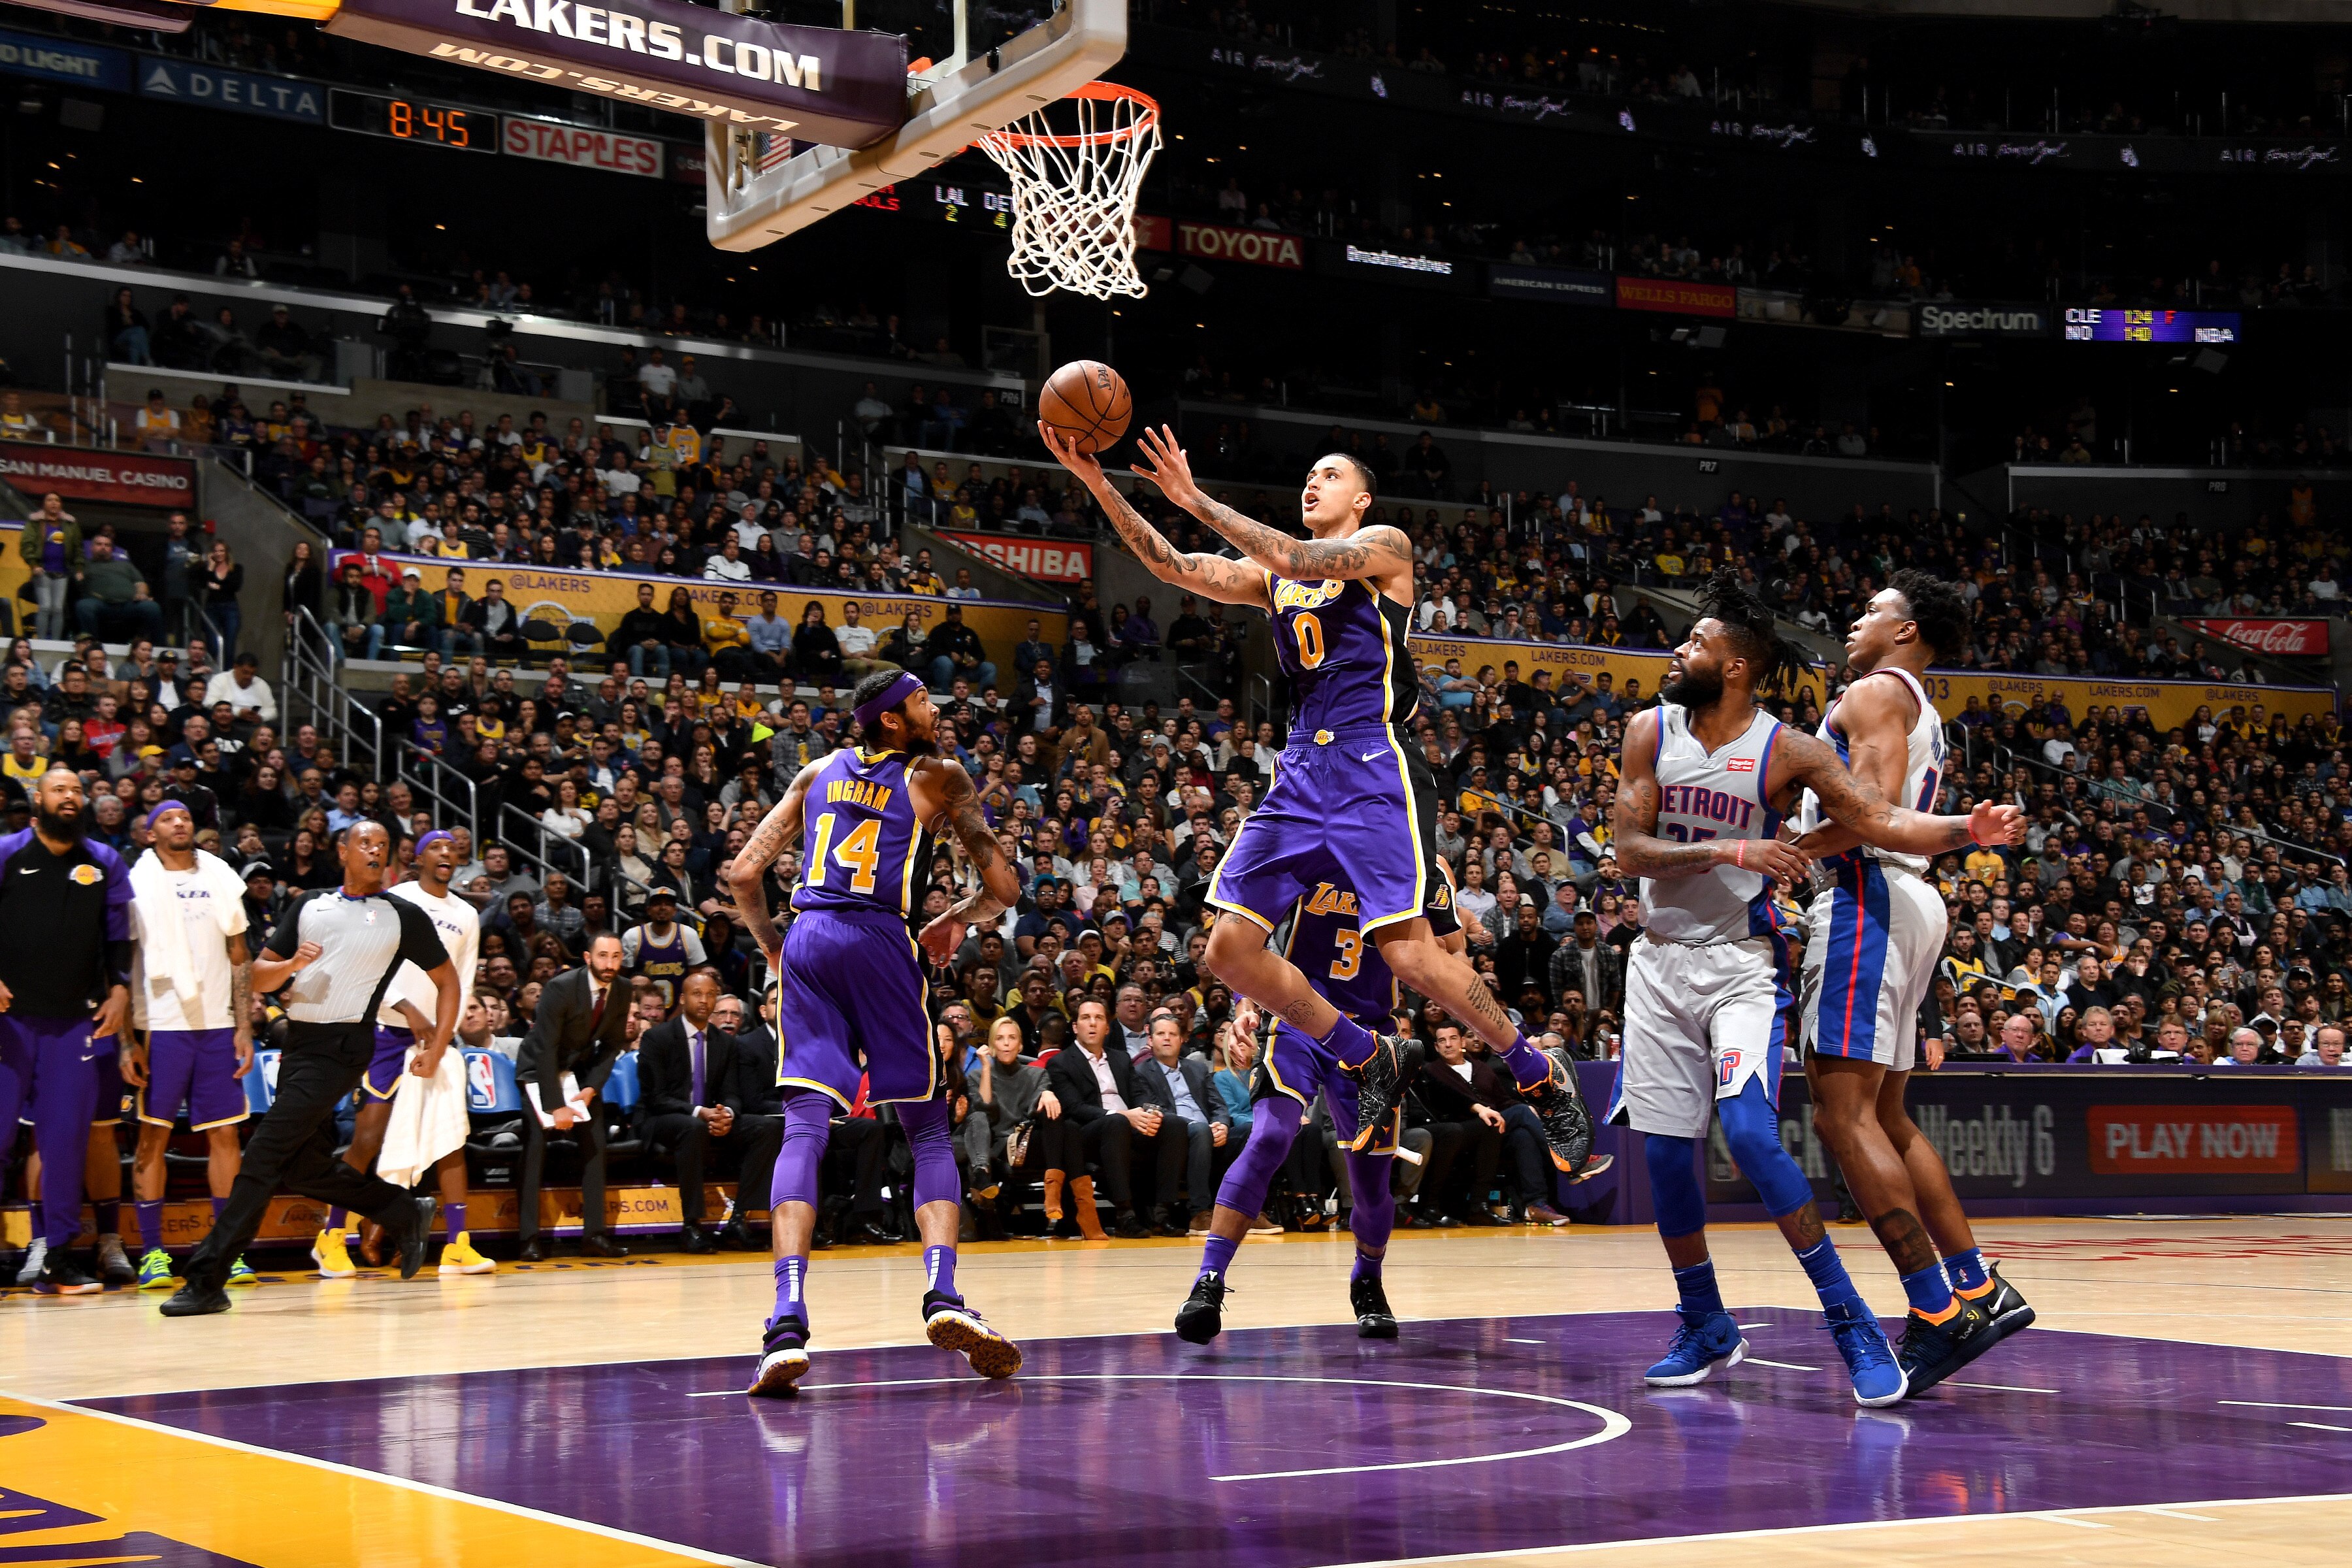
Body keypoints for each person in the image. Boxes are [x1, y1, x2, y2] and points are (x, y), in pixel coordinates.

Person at [1038, 424, 1596, 1183]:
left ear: (1361, 499)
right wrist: (1098, 482)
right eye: (1309, 474)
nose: (1313, 482)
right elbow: (1174, 566)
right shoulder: (1272, 577)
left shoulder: (1385, 548)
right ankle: (1367, 1054)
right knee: (1226, 951)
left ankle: (1537, 1070)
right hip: (1302, 767)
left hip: (1374, 763)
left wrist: (1194, 499)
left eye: (1329, 475)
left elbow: (1297, 557)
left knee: (1409, 955)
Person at [1607, 572, 2021, 1405]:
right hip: (1659, 959)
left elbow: (1874, 817)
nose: (1677, 649)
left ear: (1734, 666)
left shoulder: (1799, 742)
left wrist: (1960, 831)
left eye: (1696, 641)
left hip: (1756, 952)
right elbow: (1627, 851)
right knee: (1672, 1154)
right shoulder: (1648, 730)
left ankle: (1866, 1317)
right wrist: (1733, 851)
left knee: (1774, 1131)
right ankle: (1708, 1320)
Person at [730, 668, 1024, 1396]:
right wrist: (954, 917)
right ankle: (943, 1294)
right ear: (892, 719)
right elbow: (1005, 891)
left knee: (805, 1127)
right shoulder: (938, 777)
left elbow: (742, 874)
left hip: (809, 939)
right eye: (923, 700)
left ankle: (786, 1322)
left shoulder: (814, 774)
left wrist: (773, 945)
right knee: (928, 1129)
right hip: (880, 941)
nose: (935, 707)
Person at [1791, 571, 2036, 1394]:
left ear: (1905, 631)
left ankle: (1938, 1310)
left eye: (1871, 610)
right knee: (1887, 1116)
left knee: (1841, 1115)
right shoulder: (1916, 702)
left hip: (1866, 896)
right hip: (1905, 901)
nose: (1854, 620)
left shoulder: (1872, 692)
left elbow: (1869, 810)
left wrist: (1780, 853)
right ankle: (1975, 1285)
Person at [1181, 862, 1517, 1342]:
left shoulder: (1424, 862)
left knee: (1371, 1184)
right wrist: (1245, 1007)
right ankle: (1208, 1280)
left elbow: (1454, 956)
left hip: (1373, 1038)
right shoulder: (1307, 841)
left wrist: (1486, 1011)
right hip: (1297, 1018)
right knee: (1270, 1136)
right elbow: (1241, 935)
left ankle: (1368, 1281)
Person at [161, 822, 458, 1316]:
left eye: (383, 845)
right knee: (303, 1169)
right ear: (342, 851)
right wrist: (292, 965)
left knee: (262, 1157)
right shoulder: (310, 906)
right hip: (298, 1045)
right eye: (365, 843)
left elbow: (448, 982)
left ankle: (207, 1279)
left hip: (343, 1048)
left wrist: (439, 1045)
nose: (375, 851)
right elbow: (259, 976)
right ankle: (403, 1210)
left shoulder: (401, 915)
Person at [313, 830, 487, 1278]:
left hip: (436, 1039)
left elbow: (461, 982)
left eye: (452, 849)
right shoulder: (396, 900)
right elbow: (368, 963)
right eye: (437, 848)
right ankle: (331, 1238)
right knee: (367, 1139)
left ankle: (458, 1246)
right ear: (419, 859)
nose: (447, 853)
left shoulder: (467, 915)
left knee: (451, 1141)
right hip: (387, 1032)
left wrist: (443, 1039)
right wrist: (407, 1009)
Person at [0, 768, 133, 1294]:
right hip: (9, 1021)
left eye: (77, 790)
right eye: (59, 790)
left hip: (75, 1021)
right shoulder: (8, 852)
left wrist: (120, 990)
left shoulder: (104, 861)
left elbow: (119, 937)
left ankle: (57, 1259)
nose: (70, 797)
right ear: (38, 800)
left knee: (65, 1141)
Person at [123, 802, 258, 1291]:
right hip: (161, 1025)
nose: (179, 822)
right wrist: (127, 1041)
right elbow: (124, 964)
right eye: (167, 818)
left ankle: (227, 1251)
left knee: (225, 1137)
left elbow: (239, 956)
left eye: (184, 816)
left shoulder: (221, 875)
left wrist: (244, 1027)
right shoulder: (136, 883)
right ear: (149, 834)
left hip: (217, 1024)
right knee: (152, 1136)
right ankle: (152, 1253)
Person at [514, 932, 633, 1262]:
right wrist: (556, 1106)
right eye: (603, 956)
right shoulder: (561, 987)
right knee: (535, 1147)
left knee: (595, 1145)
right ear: (588, 957)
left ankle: (594, 1235)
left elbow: (612, 1046)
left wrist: (592, 1087)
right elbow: (545, 1048)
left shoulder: (623, 989)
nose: (610, 964)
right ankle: (528, 1239)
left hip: (579, 1072)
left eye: (616, 957)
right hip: (539, 1070)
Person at [637, 968, 742, 1252]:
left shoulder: (726, 1043)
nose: (704, 1000)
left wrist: (727, 1113)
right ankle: (692, 1225)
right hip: (661, 1119)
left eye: (710, 995)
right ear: (682, 999)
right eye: (697, 994)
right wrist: (699, 1112)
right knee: (693, 1127)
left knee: (766, 1128)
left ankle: (740, 1219)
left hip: (709, 1118)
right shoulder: (657, 1038)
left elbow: (732, 1093)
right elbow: (656, 1098)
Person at [621, 887, 705, 1011]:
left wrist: (678, 1014)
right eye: (657, 904)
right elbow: (623, 980)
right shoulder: (632, 936)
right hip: (641, 1012)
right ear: (648, 910)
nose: (663, 908)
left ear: (675, 910)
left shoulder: (689, 935)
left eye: (668, 904)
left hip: (680, 1011)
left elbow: (695, 983)